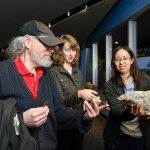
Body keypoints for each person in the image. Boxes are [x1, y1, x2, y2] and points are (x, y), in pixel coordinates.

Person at [0, 20, 107, 150]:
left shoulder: (47, 76)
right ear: (27, 42)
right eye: (46, 44)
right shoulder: (2, 72)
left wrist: (84, 116)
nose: (52, 50)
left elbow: (58, 111)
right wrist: (21, 120)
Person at [49, 34, 100, 150]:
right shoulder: (53, 72)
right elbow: (58, 102)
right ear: (60, 51)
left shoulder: (78, 72)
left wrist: (91, 100)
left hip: (78, 120)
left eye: (74, 50)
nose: (72, 54)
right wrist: (79, 93)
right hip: (63, 124)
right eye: (68, 50)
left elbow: (81, 99)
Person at [103, 45, 150, 150]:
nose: (121, 62)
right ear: (113, 62)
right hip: (117, 136)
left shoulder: (146, 80)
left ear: (132, 60)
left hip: (141, 138)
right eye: (117, 59)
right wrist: (131, 111)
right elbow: (117, 113)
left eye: (125, 58)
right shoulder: (109, 85)